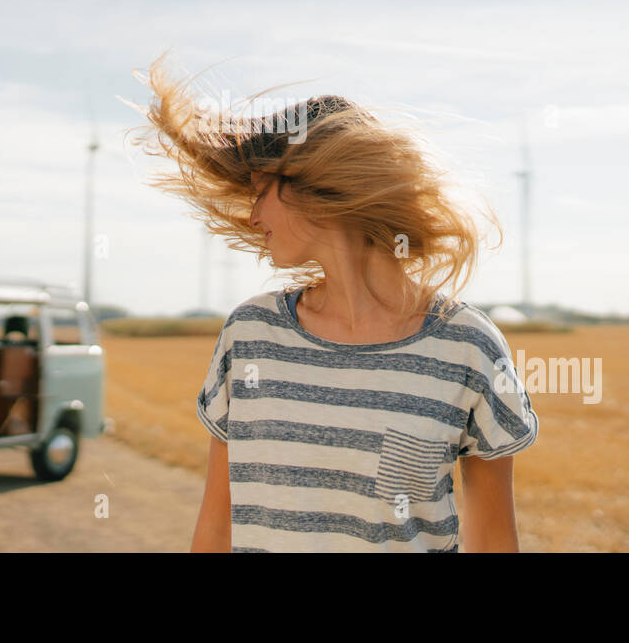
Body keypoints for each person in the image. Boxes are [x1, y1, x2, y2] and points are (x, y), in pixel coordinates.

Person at [124, 52, 540, 552]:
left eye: (261, 193)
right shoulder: (250, 334)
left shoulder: (467, 346)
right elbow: (217, 524)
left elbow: (494, 540)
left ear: (315, 185)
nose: (253, 217)